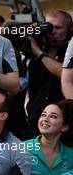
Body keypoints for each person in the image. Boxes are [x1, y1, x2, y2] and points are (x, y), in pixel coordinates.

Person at [24, 10, 73, 139]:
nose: (52, 32)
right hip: (35, 123)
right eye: (48, 27)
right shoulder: (32, 52)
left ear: (69, 30)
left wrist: (39, 53)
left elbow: (66, 75)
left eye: (58, 27)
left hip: (63, 126)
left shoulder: (70, 53)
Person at [24, 99, 73, 174]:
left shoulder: (71, 155)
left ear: (64, 127)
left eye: (53, 116)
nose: (45, 119)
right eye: (43, 115)